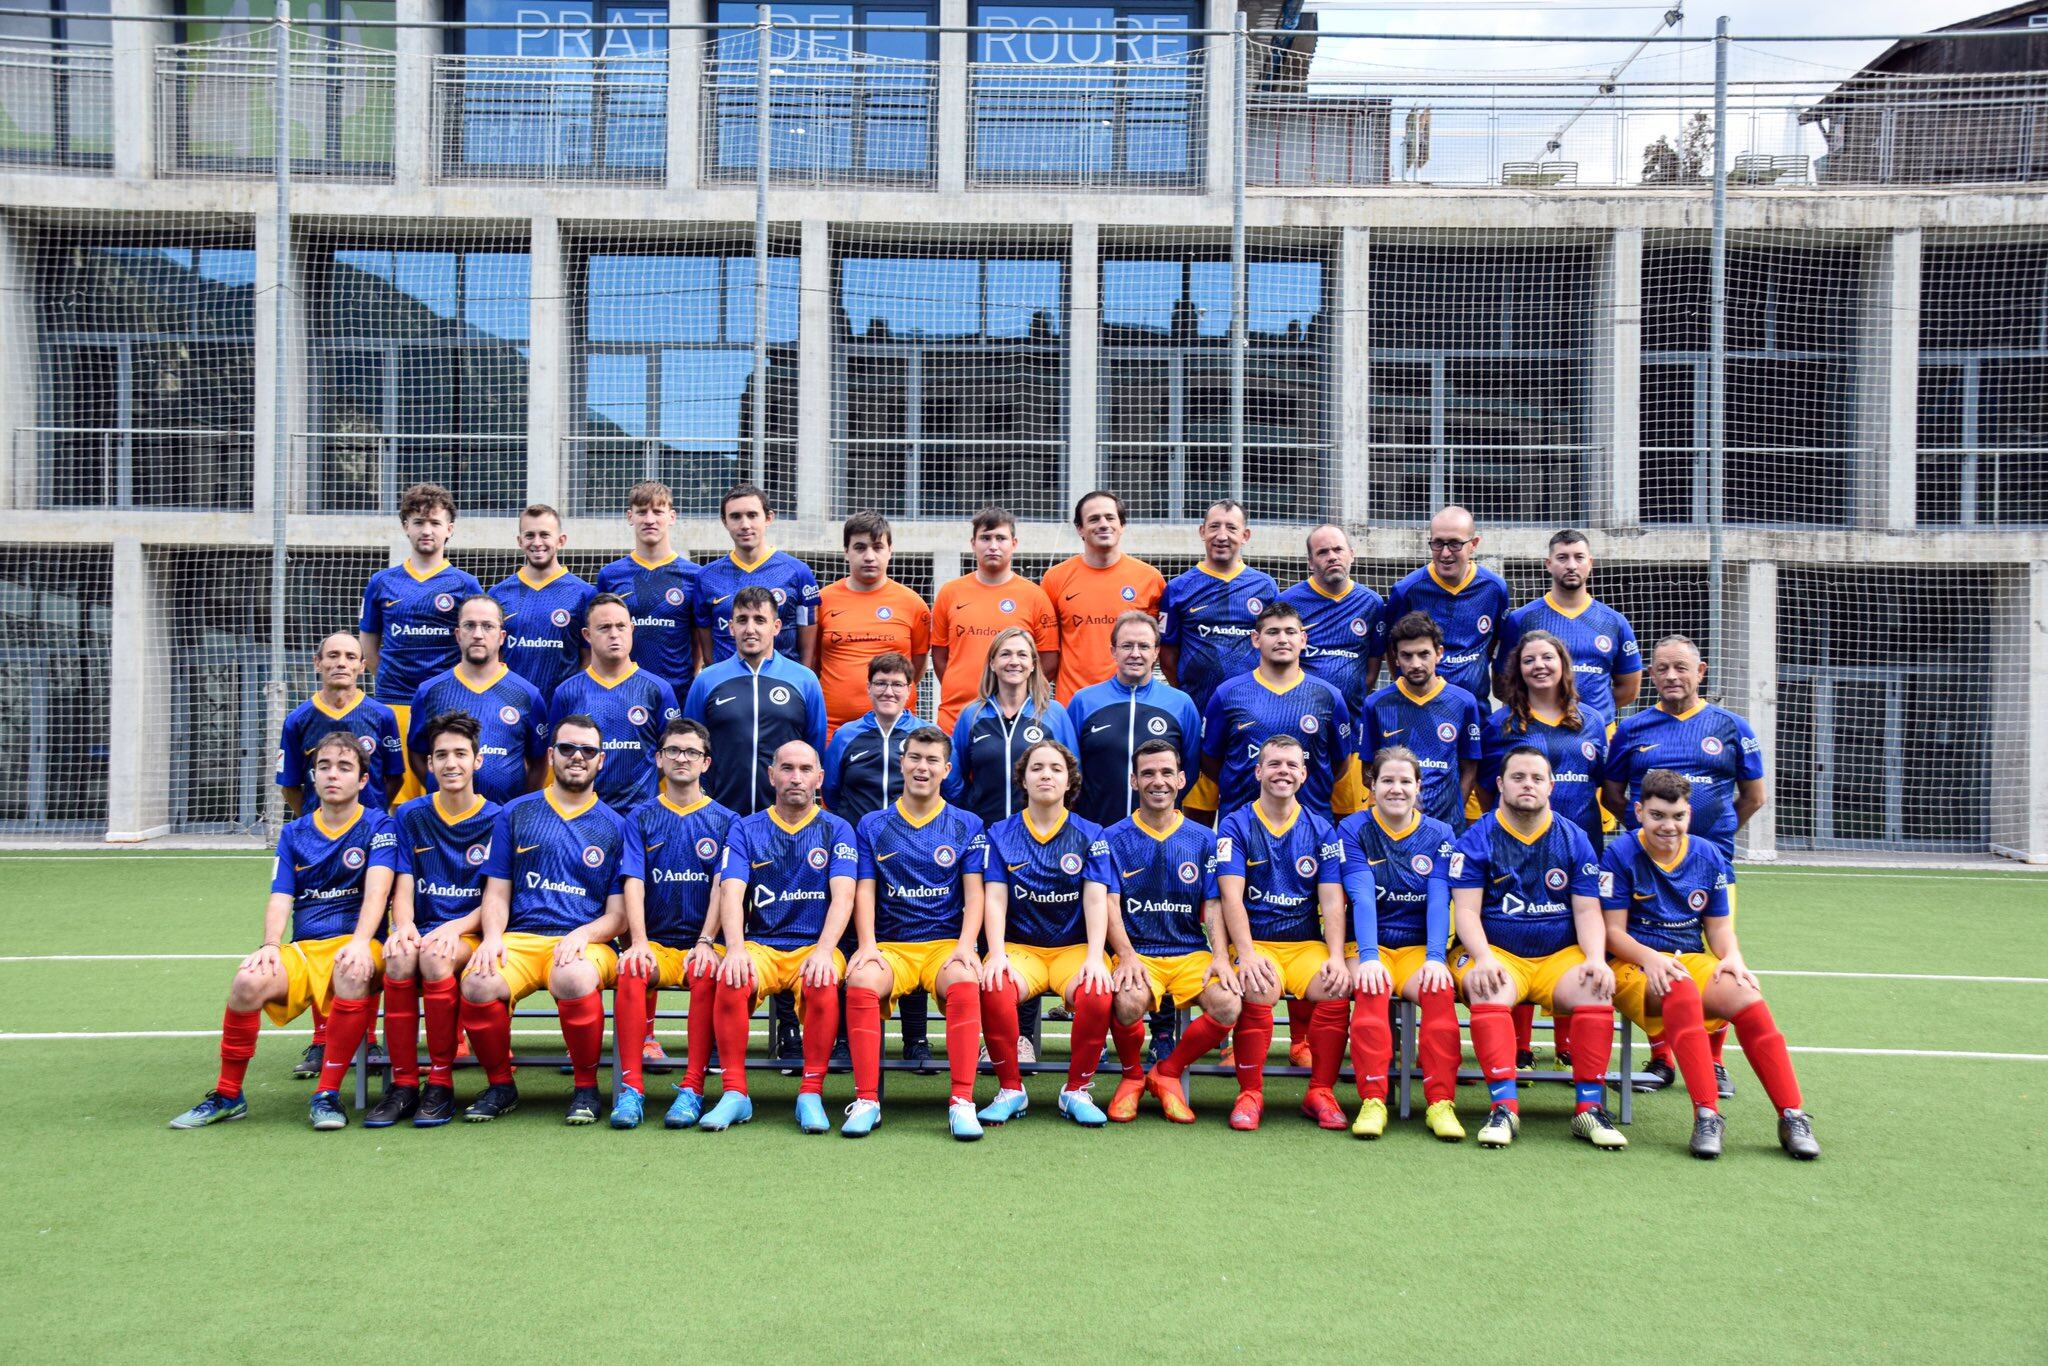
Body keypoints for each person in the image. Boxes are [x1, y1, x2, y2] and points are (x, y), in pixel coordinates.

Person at [170, 731, 399, 1130]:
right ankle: (228, 1094)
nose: (333, 775)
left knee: (351, 971)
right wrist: (270, 945)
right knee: (246, 981)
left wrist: (363, 942)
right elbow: (280, 896)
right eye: (324, 766)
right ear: (312, 776)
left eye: (345, 767)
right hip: (304, 948)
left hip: (359, 943)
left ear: (363, 780)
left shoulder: (380, 825)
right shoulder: (294, 833)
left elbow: (378, 893)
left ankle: (327, 1095)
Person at [1600, 769, 1819, 1160]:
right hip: (1633, 963)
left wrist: (1733, 957)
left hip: (1690, 959)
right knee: (1680, 987)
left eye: (1678, 816)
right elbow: (1612, 934)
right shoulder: (1618, 854)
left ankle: (1792, 1114)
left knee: (1748, 997)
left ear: (1689, 815)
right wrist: (1653, 959)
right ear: (1638, 812)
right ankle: (1706, 1114)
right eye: (1657, 816)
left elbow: (1718, 929)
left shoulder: (1708, 854)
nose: (1669, 826)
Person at [458, 715, 639, 1125]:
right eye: (569, 749)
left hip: (587, 942)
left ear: (601, 761)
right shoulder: (516, 813)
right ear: (551, 754)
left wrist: (583, 933)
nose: (578, 757)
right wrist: (490, 938)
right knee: (477, 980)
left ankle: (586, 1088)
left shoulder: (616, 826)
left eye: (588, 751)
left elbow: (618, 917)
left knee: (573, 977)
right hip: (521, 938)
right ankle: (500, 1085)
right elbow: (498, 891)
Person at [1449, 744, 1625, 1151]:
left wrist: (1597, 959)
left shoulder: (1574, 837)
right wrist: (1485, 957)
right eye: (1518, 777)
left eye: (1536, 778)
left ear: (1551, 785)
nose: (1527, 784)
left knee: (1595, 985)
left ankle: (1589, 1108)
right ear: (1500, 784)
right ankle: (1504, 1107)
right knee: (1486, 984)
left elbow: (1586, 912)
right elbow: (1468, 913)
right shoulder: (1477, 838)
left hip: (1557, 957)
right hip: (1498, 951)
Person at [702, 741, 858, 1134]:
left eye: (806, 769)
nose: (796, 777)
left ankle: (811, 1093)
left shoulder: (837, 828)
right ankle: (735, 1094)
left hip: (813, 945)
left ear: (819, 779)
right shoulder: (746, 827)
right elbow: (731, 891)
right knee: (732, 977)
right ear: (771, 775)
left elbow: (844, 896)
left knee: (822, 981)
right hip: (763, 945)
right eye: (787, 768)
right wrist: (735, 949)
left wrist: (825, 951)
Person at [844, 726, 990, 1140]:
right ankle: (867, 1099)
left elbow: (975, 894)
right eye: (915, 758)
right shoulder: (873, 824)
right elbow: (864, 891)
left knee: (964, 978)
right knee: (861, 980)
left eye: (931, 761)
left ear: (946, 769)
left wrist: (966, 947)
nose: (921, 767)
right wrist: (868, 945)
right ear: (902, 762)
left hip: (944, 944)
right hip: (892, 946)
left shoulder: (967, 823)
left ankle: (962, 1101)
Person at [970, 738, 1119, 1128]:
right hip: (1023, 950)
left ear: (1069, 780)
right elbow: (996, 900)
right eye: (1037, 768)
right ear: (1023, 778)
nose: (1046, 775)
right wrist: (997, 953)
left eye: (1056, 768)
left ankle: (1076, 1090)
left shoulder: (1091, 833)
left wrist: (1094, 957)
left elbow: (1095, 900)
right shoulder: (1000, 833)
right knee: (994, 985)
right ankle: (1010, 1090)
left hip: (1073, 949)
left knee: (1098, 992)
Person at [365, 711, 499, 1129]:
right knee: (402, 957)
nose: (451, 763)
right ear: (428, 763)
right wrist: (403, 925)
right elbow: (403, 883)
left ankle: (440, 1083)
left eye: (461, 753)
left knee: (435, 959)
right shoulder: (410, 815)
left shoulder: (499, 817)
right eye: (441, 755)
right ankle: (404, 1085)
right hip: (423, 929)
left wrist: (453, 928)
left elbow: (498, 897)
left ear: (478, 761)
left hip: (471, 933)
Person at [1213, 736, 1351, 1132]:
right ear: (1258, 771)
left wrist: (1337, 957)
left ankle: (1320, 1092)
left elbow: (1331, 901)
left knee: (1336, 986)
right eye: (1273, 764)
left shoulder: (1322, 829)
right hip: (1257, 943)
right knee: (1257, 987)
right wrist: (1247, 953)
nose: (1283, 772)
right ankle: (1250, 1093)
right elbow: (1231, 898)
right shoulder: (1237, 824)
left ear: (1304, 774)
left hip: (1305, 944)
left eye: (1291, 765)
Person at [1097, 740, 1238, 1125]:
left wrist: (1221, 957)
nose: (1157, 782)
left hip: (1189, 951)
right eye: (1147, 773)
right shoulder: (1111, 838)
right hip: (1138, 951)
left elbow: (1213, 905)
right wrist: (1125, 955)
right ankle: (1131, 1079)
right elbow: (1108, 904)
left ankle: (1167, 1072)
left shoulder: (1204, 839)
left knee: (1228, 1002)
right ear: (1133, 780)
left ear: (1181, 779)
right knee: (1127, 1002)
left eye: (1165, 773)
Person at [610, 718, 738, 1131]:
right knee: (630, 969)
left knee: (704, 972)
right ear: (659, 759)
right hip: (657, 944)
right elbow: (634, 880)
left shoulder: (726, 820)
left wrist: (706, 940)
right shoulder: (640, 817)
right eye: (673, 751)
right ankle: (631, 1090)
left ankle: (692, 1088)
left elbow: (724, 885)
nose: (682, 758)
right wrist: (639, 941)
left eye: (691, 752)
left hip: (704, 943)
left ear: (706, 763)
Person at [1336, 746, 1464, 1141]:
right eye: (1387, 781)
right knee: (1371, 990)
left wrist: (1435, 958)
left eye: (1405, 781)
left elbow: (1440, 897)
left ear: (1419, 787)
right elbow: (1359, 894)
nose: (1396, 788)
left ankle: (1441, 1103)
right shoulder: (1353, 829)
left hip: (1415, 949)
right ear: (1371, 786)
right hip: (1367, 945)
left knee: (1439, 990)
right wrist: (1370, 957)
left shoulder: (1441, 833)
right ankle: (1372, 1100)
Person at [822, 651, 934, 1069]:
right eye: (881, 683)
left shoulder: (924, 734)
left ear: (911, 691)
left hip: (914, 850)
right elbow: (832, 792)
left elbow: (947, 785)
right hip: (860, 850)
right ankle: (846, 1040)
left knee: (914, 931)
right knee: (855, 937)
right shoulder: (848, 736)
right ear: (868, 688)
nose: (889, 691)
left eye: (897, 685)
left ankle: (916, 1040)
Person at [358, 482, 483, 804]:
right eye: (418, 522)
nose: (426, 530)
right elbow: (369, 642)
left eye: (435, 523)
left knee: (445, 792)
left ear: (449, 529)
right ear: (405, 528)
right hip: (394, 703)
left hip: (446, 705)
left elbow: (475, 641)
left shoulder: (464, 583)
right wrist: (389, 677)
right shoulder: (382, 582)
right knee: (395, 799)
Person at [1158, 499, 1279, 820]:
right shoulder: (1178, 588)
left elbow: (1274, 646)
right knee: (1195, 814)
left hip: (1252, 717)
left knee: (1248, 814)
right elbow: (1167, 654)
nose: (1222, 535)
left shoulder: (1265, 587)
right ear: (1202, 531)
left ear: (1246, 535)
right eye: (1214, 527)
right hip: (1197, 717)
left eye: (1231, 528)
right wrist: (1187, 693)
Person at [1602, 635, 1767, 862]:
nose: (1671, 676)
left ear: (1700, 671)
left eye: (1680, 668)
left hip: (1712, 859)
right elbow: (1610, 796)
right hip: (1647, 860)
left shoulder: (1734, 727)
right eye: (1662, 669)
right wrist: (1644, 827)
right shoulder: (1630, 728)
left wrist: (1720, 829)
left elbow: (1755, 798)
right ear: (1652, 674)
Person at [1200, 600, 1354, 821]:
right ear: (1256, 639)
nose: (1282, 639)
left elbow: (1340, 764)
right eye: (1273, 632)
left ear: (1303, 639)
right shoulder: (1227, 694)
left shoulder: (1329, 696)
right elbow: (1210, 761)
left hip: (1310, 824)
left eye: (1290, 632)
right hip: (1242, 824)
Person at [682, 585, 828, 816]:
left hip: (785, 817)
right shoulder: (706, 681)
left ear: (776, 627)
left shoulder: (805, 680)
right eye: (742, 620)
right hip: (720, 813)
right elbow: (691, 745)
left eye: (760, 620)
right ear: (731, 627)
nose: (750, 629)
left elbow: (815, 747)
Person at [1279, 523, 1385, 816]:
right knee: (1299, 813)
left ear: (1351, 554)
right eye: (1322, 552)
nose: (1332, 556)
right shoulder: (1289, 602)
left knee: (1349, 820)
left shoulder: (1371, 603)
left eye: (1338, 549)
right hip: (1299, 728)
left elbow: (1372, 665)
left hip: (1350, 731)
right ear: (1311, 562)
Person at [404, 595, 548, 805]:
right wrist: (437, 784)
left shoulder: (528, 694)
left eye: (488, 626)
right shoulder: (429, 691)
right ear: (458, 634)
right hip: (444, 817)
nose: (478, 634)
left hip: (502, 819)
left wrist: (517, 807)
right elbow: (417, 754)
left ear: (501, 636)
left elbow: (539, 762)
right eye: (469, 626)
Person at [1065, 611, 1202, 830]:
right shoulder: (1084, 701)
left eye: (1144, 646)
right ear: (1113, 651)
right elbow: (1070, 769)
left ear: (1156, 652)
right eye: (1127, 646)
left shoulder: (1181, 704)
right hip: (1095, 831)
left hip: (1158, 832)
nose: (1135, 654)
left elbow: (1191, 769)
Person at [930, 505, 1059, 733]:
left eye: (1001, 538)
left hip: (1013, 717)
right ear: (973, 544)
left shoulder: (1035, 596)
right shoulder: (950, 593)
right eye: (985, 538)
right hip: (956, 717)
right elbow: (940, 657)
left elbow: (1048, 660)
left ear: (1014, 544)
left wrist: (1016, 692)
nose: (993, 546)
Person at [549, 594, 683, 813]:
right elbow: (554, 758)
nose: (614, 634)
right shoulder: (567, 692)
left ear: (632, 629)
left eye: (621, 626)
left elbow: (669, 756)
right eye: (604, 627)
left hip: (639, 816)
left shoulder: (658, 690)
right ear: (587, 635)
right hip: (583, 816)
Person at [1493, 529, 1640, 724]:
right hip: (1537, 733)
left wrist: (1592, 713)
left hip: (1598, 735)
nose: (1571, 565)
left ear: (1590, 563)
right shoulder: (1520, 620)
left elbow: (1629, 689)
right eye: (1562, 558)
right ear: (1549, 564)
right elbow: (1502, 686)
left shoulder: (1615, 622)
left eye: (1579, 557)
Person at [1481, 630, 1607, 845]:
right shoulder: (1498, 725)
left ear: (1563, 664)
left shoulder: (1592, 721)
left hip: (1582, 844)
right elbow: (1485, 790)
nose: (1539, 665)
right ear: (1519, 670)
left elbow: (1596, 782)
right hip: (1516, 845)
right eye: (1529, 660)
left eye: (1547, 657)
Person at [945, 626, 1077, 829]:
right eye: (1005, 654)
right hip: (984, 831)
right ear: (992, 663)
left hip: (1039, 834)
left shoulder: (1054, 714)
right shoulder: (972, 715)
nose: (1014, 661)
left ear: (1033, 665)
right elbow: (955, 776)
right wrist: (969, 815)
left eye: (1022, 655)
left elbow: (1073, 774)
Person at [1040, 489, 1164, 703]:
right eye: (1094, 519)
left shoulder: (1151, 579)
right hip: (1073, 704)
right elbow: (1047, 651)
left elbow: (1157, 647)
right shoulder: (1054, 579)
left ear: (1122, 525)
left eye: (1110, 517)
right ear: (1080, 529)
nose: (1103, 524)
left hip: (1131, 703)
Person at [1361, 612, 1482, 828]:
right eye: (1407, 656)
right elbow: (1368, 772)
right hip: (1393, 827)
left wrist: (1453, 813)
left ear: (1439, 653)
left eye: (1424, 654)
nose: (1416, 664)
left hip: (1448, 828)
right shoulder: (1376, 704)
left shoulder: (1463, 702)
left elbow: (1470, 767)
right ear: (1396, 658)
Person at [816, 511, 930, 738]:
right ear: (846, 552)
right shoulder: (822, 601)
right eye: (860, 547)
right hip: (833, 730)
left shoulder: (913, 604)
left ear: (890, 551)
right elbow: (813, 663)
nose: (869, 556)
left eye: (877, 547)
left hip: (897, 730)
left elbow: (917, 667)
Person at [1384, 505, 1510, 711]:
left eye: (1454, 544)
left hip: (1475, 710)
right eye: (1437, 543)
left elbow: (1495, 642)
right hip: (1420, 709)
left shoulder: (1494, 588)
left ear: (1474, 544)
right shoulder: (1407, 590)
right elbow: (1391, 648)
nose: (1445, 553)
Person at [277, 631, 405, 817]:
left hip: (369, 830)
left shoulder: (383, 716)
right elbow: (289, 786)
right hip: (320, 835)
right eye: (333, 655)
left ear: (362, 666)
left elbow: (395, 778)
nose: (341, 663)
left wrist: (375, 812)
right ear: (317, 663)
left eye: (350, 657)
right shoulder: (297, 720)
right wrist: (311, 821)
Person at [694, 483, 821, 669]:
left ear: (768, 518)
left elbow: (809, 648)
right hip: (729, 686)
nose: (745, 525)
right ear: (724, 521)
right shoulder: (706, 577)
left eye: (752, 515)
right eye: (735, 517)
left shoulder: (798, 572)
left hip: (782, 687)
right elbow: (707, 649)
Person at [594, 480, 702, 697]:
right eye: (642, 512)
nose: (649, 519)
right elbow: (601, 634)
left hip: (677, 691)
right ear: (630, 517)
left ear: (671, 517)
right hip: (623, 690)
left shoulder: (695, 575)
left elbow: (698, 636)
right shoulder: (611, 575)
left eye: (658, 511)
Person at [489, 502, 595, 703]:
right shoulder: (499, 593)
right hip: (510, 707)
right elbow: (496, 656)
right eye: (530, 535)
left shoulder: (584, 594)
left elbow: (588, 658)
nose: (537, 542)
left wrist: (575, 699)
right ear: (520, 541)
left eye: (545, 535)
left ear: (561, 540)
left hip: (563, 708)